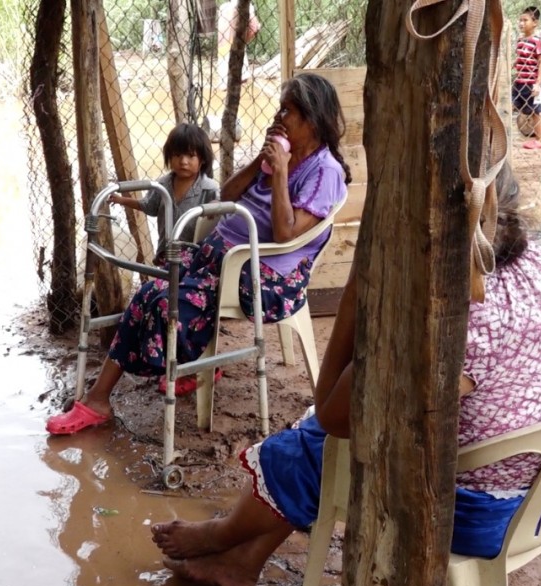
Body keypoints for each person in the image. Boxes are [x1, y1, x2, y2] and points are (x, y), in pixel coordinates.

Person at [149, 164, 541, 586]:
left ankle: (224, 534)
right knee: (340, 428)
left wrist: (360, 281)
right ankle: (240, 562)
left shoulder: (454, 320)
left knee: (318, 442)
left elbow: (333, 414)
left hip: (484, 515)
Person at [46, 72, 351, 435]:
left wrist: (282, 173)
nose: (278, 118)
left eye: (288, 111)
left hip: (262, 277)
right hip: (220, 259)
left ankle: (173, 369)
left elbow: (286, 233)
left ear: (312, 118)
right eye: (280, 109)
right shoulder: (280, 157)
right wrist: (261, 163)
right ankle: (105, 396)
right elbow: (226, 195)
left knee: (164, 302)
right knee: (150, 290)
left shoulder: (324, 171)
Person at [109, 122, 219, 266]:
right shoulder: (162, 185)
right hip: (166, 254)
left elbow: (223, 210)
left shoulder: (210, 189)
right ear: (169, 156)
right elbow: (149, 206)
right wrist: (121, 200)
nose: (183, 162)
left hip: (196, 258)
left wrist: (217, 205)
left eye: (191, 156)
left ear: (203, 159)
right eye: (177, 155)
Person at [513, 6, 541, 150]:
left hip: (533, 83)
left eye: (525, 20)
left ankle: (539, 140)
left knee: (536, 111)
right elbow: (520, 58)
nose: (521, 23)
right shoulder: (520, 40)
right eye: (520, 20)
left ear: (535, 23)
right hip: (520, 82)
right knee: (512, 103)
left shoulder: (537, 41)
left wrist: (538, 83)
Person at [217, 0, 261, 89]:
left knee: (225, 86)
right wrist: (244, 40)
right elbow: (254, 27)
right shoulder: (246, 6)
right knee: (241, 83)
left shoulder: (223, 8)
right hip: (237, 46)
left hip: (222, 49)